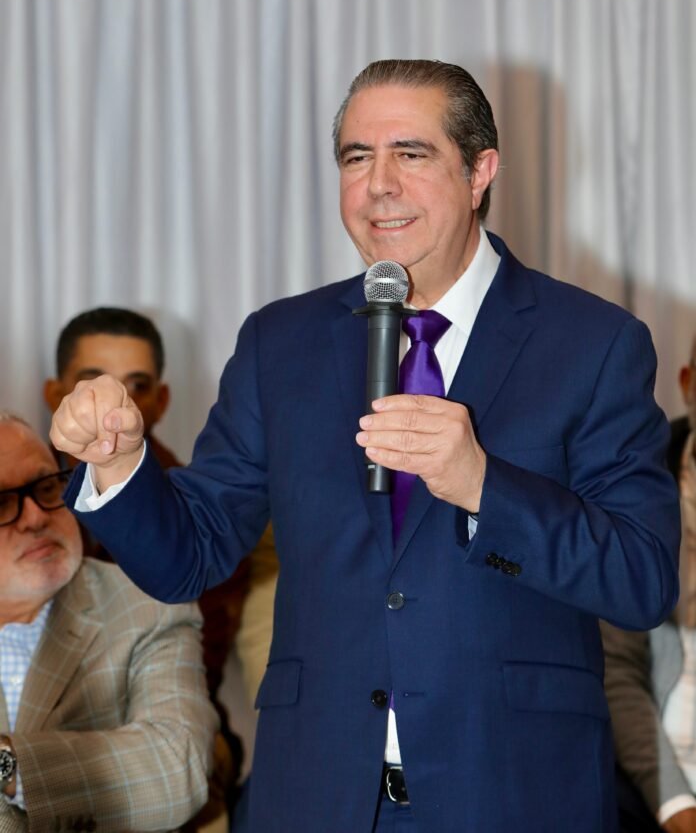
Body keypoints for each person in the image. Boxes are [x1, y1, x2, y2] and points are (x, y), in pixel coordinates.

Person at [50, 59, 680, 833]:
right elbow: (193, 552)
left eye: (410, 154)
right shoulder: (281, 342)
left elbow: (643, 578)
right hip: (315, 796)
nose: (379, 184)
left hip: (514, 793)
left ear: (481, 170)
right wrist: (119, 463)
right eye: (356, 157)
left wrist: (485, 486)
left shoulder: (593, 342)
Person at [43, 306, 248, 826]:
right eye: (92, 383)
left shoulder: (204, 515)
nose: (114, 403)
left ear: (161, 399)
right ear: (54, 393)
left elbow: (199, 657)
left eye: (136, 386)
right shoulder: (19, 486)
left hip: (160, 720)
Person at [0, 411, 217, 831]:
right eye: (2, 503)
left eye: (46, 488)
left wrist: (8, 765)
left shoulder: (148, 602)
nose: (36, 517)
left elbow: (177, 768)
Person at [602, 337, 696, 833]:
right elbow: (616, 671)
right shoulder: (635, 484)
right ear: (687, 384)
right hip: (648, 786)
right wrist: (677, 807)